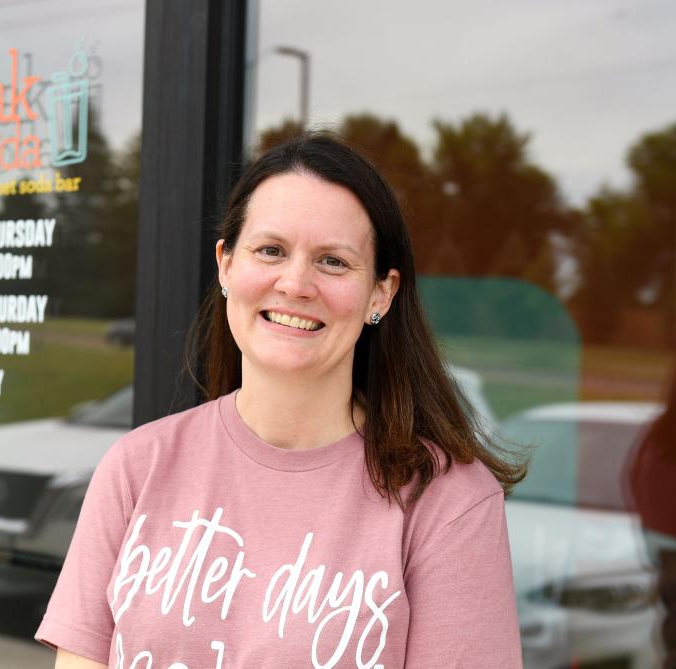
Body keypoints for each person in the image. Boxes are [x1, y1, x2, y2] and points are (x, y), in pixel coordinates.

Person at [35, 132, 525, 668]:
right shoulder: (137, 468)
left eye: (333, 262)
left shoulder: (447, 502)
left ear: (380, 293)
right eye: (270, 250)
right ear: (225, 265)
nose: (295, 283)